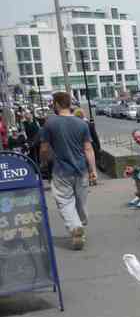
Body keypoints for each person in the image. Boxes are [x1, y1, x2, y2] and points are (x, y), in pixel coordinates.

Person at [39, 91, 98, 250]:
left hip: (61, 171)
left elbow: (44, 148)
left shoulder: (50, 123)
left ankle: (75, 227)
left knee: (65, 202)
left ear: (57, 104)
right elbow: (88, 149)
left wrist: (43, 162)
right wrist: (93, 170)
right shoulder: (82, 123)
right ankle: (80, 224)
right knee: (81, 201)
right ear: (70, 104)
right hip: (81, 170)